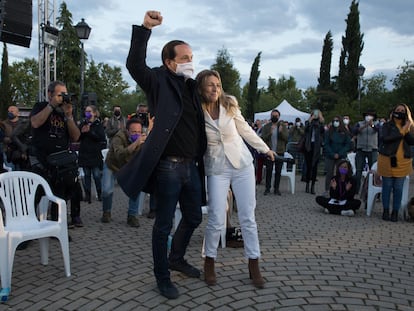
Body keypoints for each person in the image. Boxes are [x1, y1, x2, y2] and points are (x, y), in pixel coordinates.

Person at [117, 10, 207, 299]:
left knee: (193, 216)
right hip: (168, 167)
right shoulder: (158, 80)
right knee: (164, 224)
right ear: (169, 62)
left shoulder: (192, 87)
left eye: (192, 57)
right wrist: (145, 28)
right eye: (184, 58)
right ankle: (163, 277)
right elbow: (134, 64)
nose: (190, 62)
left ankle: (176, 257)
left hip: (191, 167)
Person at [196, 69, 275, 288]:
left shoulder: (229, 104)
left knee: (248, 217)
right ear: (201, 87)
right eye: (210, 85)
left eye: (218, 85)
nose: (215, 88)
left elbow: (245, 130)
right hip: (216, 167)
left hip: (241, 164)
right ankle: (209, 261)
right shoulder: (195, 109)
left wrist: (264, 149)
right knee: (216, 217)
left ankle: (253, 263)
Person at [30, 81, 81, 224]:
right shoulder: (40, 107)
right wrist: (51, 106)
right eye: (60, 95)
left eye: (64, 95)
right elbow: (35, 123)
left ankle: (57, 227)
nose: (62, 98)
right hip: (41, 160)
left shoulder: (65, 112)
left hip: (60, 162)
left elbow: (76, 136)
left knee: (60, 197)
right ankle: (29, 227)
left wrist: (69, 116)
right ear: (50, 94)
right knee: (35, 195)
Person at [102, 118, 150, 227]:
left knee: (135, 188)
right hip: (112, 165)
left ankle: (132, 216)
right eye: (134, 132)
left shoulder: (142, 139)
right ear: (127, 131)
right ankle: (106, 212)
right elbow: (120, 154)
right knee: (106, 190)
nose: (137, 134)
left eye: (139, 132)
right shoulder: (118, 137)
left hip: (128, 166)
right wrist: (136, 143)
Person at [377, 104, 414, 222]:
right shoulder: (387, 126)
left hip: (403, 161)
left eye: (402, 111)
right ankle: (386, 210)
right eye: (398, 110)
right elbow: (387, 139)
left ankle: (395, 211)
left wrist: (408, 129)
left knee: (398, 188)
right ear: (393, 112)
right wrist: (402, 131)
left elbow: (411, 141)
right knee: (387, 186)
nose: (400, 112)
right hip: (387, 160)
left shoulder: (408, 127)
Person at [78, 105, 106, 203]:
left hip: (95, 154)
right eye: (86, 111)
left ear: (94, 113)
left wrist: (90, 132)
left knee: (97, 175)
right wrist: (81, 132)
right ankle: (88, 195)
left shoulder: (98, 125)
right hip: (84, 153)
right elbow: (77, 138)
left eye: (89, 111)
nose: (87, 113)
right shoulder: (82, 123)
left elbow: (101, 138)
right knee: (86, 175)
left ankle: (99, 193)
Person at [261, 109, 288, 195]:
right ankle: (267, 188)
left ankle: (276, 189)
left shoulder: (282, 126)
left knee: (278, 171)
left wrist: (280, 132)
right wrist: (270, 132)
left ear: (279, 117)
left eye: (276, 116)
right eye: (273, 115)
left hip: (280, 151)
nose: (274, 117)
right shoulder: (267, 126)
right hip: (270, 151)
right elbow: (263, 138)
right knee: (269, 170)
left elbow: (286, 138)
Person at [323, 116, 351, 194]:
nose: (336, 122)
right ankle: (328, 190)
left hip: (341, 155)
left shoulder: (345, 132)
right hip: (330, 155)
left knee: (342, 172)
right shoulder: (329, 132)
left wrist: (340, 153)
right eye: (334, 120)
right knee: (329, 173)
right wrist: (332, 154)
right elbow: (326, 144)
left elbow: (347, 144)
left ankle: (342, 189)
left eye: (337, 120)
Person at [353, 109, 379, 192]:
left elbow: (379, 131)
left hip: (373, 149)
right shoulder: (359, 123)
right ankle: (356, 189)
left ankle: (372, 189)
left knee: (373, 170)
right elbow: (355, 131)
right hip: (361, 149)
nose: (368, 117)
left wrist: (372, 125)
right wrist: (365, 126)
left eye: (370, 115)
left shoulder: (377, 124)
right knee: (358, 170)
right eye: (367, 115)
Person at [303, 109, 325, 194]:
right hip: (309, 146)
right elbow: (305, 129)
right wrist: (310, 119)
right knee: (308, 166)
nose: (316, 115)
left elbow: (323, 132)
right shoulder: (308, 122)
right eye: (314, 114)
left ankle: (313, 186)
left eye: (317, 114)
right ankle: (307, 185)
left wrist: (321, 120)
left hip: (316, 147)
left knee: (315, 166)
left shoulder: (320, 124)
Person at [3, 105, 31, 170]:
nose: (9, 112)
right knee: (10, 171)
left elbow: (27, 138)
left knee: (22, 172)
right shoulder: (3, 124)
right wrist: (7, 139)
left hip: (21, 153)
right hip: (8, 152)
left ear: (18, 113)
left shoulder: (24, 123)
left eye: (12, 111)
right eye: (8, 111)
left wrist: (24, 150)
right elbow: (2, 137)